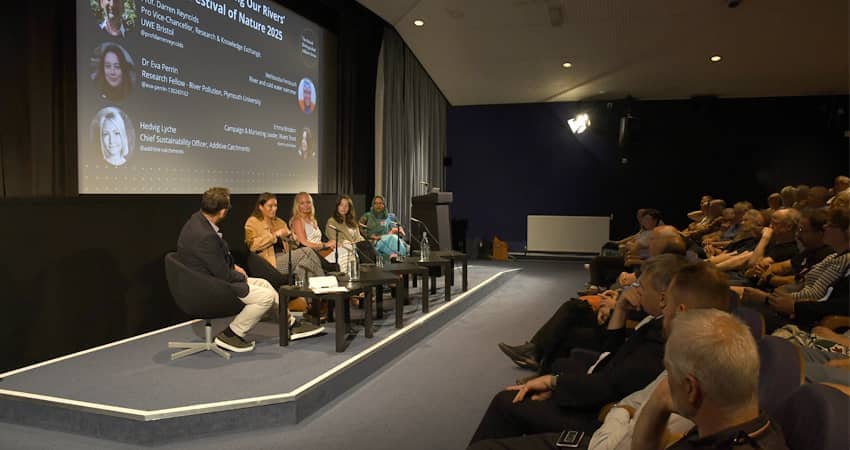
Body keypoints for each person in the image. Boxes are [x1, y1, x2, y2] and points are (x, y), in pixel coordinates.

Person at [468, 254, 688, 447]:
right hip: (602, 399)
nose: (635, 291)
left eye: (641, 288)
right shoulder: (657, 321)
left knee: (505, 402)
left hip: (598, 418)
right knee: (561, 361)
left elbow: (610, 386)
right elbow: (611, 354)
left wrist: (554, 383)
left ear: (662, 299)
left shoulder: (662, 338)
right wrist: (620, 308)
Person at [498, 228, 688, 374]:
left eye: (653, 239)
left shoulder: (666, 271)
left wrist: (616, 306)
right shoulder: (660, 264)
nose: (648, 241)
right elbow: (639, 292)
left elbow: (646, 304)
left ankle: (539, 359)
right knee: (574, 308)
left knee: (572, 315)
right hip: (624, 312)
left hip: (626, 321)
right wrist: (617, 298)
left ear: (664, 245)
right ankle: (537, 354)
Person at [176, 188, 322, 353]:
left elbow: (213, 260)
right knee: (265, 297)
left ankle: (290, 323)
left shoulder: (196, 221)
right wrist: (237, 273)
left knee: (264, 284)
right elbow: (223, 272)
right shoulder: (206, 235)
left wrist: (233, 267)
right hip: (211, 285)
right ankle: (232, 334)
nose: (274, 209)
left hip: (208, 277)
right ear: (223, 211)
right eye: (270, 205)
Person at [632, 309, 788, 450]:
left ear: (690, 389)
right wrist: (659, 400)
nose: (666, 384)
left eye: (669, 374)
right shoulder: (759, 428)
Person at [243, 192, 325, 284]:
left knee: (304, 265)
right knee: (307, 251)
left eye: (275, 206)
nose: (274, 209)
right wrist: (275, 235)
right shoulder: (252, 222)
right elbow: (253, 246)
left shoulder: (279, 222)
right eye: (270, 206)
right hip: (269, 262)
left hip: (285, 257)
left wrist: (293, 238)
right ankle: (326, 285)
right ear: (261, 207)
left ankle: (307, 296)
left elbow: (294, 247)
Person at [325, 195, 378, 273]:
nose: (343, 208)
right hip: (345, 246)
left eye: (346, 206)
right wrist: (352, 243)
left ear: (349, 208)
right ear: (337, 207)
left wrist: (364, 242)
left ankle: (372, 270)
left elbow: (359, 237)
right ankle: (373, 271)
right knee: (363, 248)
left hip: (356, 245)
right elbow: (334, 238)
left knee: (367, 244)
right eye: (341, 205)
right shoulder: (332, 221)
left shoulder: (352, 222)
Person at [290, 192, 337, 273]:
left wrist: (330, 244)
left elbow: (316, 241)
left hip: (321, 251)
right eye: (302, 203)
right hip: (311, 255)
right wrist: (325, 245)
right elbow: (304, 244)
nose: (306, 205)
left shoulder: (313, 220)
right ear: (297, 206)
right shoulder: (297, 220)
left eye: (308, 202)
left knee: (345, 248)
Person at [360, 195, 409, 262]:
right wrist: (372, 237)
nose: (378, 205)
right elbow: (359, 229)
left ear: (384, 205)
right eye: (376, 203)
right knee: (393, 238)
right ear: (373, 205)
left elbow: (401, 233)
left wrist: (398, 231)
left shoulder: (391, 217)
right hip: (376, 242)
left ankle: (396, 260)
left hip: (391, 240)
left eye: (380, 203)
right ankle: (396, 259)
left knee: (394, 238)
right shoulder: (367, 216)